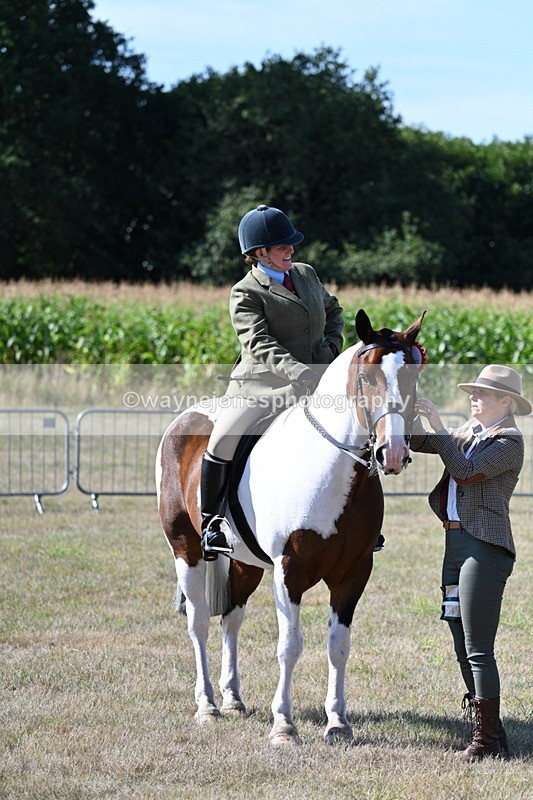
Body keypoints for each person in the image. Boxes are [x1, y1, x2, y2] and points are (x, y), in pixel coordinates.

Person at [200, 204, 344, 559]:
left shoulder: (306, 274)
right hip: (262, 387)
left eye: (291, 245)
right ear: (259, 253)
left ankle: (358, 524)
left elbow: (334, 310)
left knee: (356, 432)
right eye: (283, 246)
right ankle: (212, 524)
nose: (291, 251)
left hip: (316, 381)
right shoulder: (245, 292)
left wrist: (330, 349)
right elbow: (259, 344)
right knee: (222, 439)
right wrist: (302, 373)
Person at [412, 365, 531, 762]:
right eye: (473, 392)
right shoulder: (471, 432)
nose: (473, 398)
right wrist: (400, 410)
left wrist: (440, 426)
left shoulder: (510, 440)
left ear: (506, 402)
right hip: (455, 544)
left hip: (484, 547)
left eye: (482, 393)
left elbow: (463, 473)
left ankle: (484, 741)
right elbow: (422, 442)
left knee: (478, 647)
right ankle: (493, 736)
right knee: (462, 645)